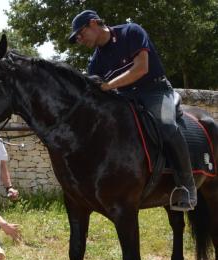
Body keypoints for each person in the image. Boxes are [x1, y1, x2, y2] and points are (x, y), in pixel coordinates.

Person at [68, 10, 196, 211]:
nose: (79, 39)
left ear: (93, 23)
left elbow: (141, 68)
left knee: (166, 126)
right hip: (125, 97)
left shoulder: (131, 32)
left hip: (155, 91)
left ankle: (188, 187)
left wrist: (108, 85)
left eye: (80, 34)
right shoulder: (95, 62)